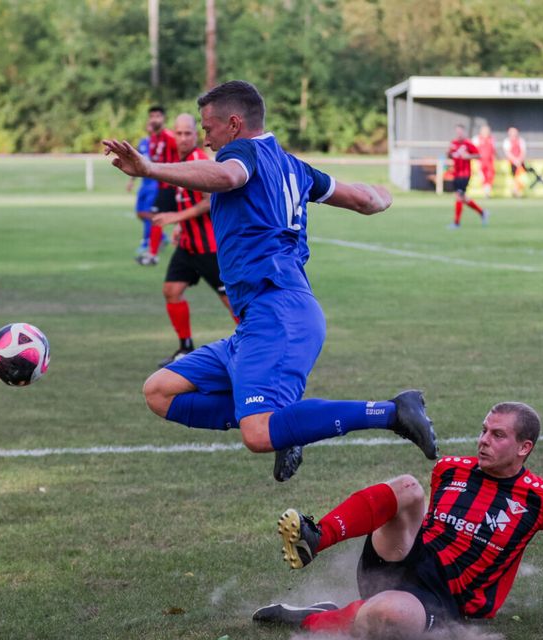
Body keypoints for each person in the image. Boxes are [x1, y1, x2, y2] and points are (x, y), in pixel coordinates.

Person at [103, 80, 438, 482]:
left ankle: (391, 412)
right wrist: (384, 194)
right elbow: (366, 200)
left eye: (208, 129)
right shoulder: (295, 167)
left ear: (233, 123)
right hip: (257, 321)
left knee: (259, 434)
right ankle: (287, 422)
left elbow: (227, 177)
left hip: (278, 310)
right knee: (160, 391)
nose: (206, 140)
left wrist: (149, 169)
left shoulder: (243, 153)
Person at [253, 401, 543, 640]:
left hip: (444, 602)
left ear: (524, 448)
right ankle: (317, 536)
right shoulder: (451, 469)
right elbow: (416, 518)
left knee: (392, 618)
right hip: (400, 562)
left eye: (498, 435)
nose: (484, 440)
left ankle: (314, 617)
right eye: (484, 430)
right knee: (407, 487)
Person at [149, 113, 238, 367]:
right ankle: (185, 347)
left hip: (209, 247)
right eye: (179, 133)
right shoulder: (183, 160)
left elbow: (209, 202)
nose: (183, 138)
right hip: (189, 244)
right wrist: (181, 226)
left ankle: (258, 348)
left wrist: (175, 217)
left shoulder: (199, 161)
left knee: (233, 303)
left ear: (196, 135)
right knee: (172, 291)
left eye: (188, 133)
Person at [136, 105, 180, 266]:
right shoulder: (152, 139)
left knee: (190, 219)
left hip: (175, 186)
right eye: (152, 116)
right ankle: (152, 254)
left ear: (164, 118)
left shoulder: (169, 136)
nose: (154, 119)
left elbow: (183, 154)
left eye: (158, 116)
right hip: (162, 186)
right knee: (155, 217)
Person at [129, 133, 164, 260]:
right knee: (140, 212)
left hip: (154, 184)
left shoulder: (162, 144)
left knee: (149, 214)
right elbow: (136, 161)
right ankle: (162, 236)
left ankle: (146, 241)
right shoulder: (143, 142)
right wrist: (132, 180)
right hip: (144, 184)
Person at [446, 124, 486, 229]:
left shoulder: (468, 144)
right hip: (456, 173)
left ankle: (456, 223)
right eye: (457, 132)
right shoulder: (453, 143)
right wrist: (448, 153)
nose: (459, 134)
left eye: (460, 132)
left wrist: (468, 156)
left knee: (459, 196)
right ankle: (482, 212)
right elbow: (449, 155)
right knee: (463, 198)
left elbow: (479, 155)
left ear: (463, 132)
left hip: (465, 174)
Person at [503, 127, 528, 198]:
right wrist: (515, 160)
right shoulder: (507, 141)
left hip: (520, 162)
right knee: (515, 178)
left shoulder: (521, 140)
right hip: (512, 163)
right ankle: (516, 191)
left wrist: (519, 160)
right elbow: (507, 153)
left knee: (522, 178)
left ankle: (516, 191)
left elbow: (523, 151)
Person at [475, 124, 496, 198]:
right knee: (483, 177)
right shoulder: (477, 139)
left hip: (489, 161)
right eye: (484, 130)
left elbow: (493, 151)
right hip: (481, 161)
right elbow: (474, 151)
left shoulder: (491, 139)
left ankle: (487, 192)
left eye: (487, 130)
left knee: (490, 176)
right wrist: (477, 162)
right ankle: (486, 192)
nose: (486, 132)